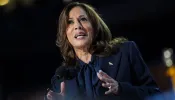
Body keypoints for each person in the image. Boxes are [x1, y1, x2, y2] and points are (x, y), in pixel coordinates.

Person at [46, 2, 161, 100]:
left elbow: (154, 93)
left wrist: (120, 89)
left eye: (83, 19)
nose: (77, 26)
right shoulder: (62, 78)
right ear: (65, 33)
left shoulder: (125, 52)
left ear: (95, 27)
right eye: (70, 22)